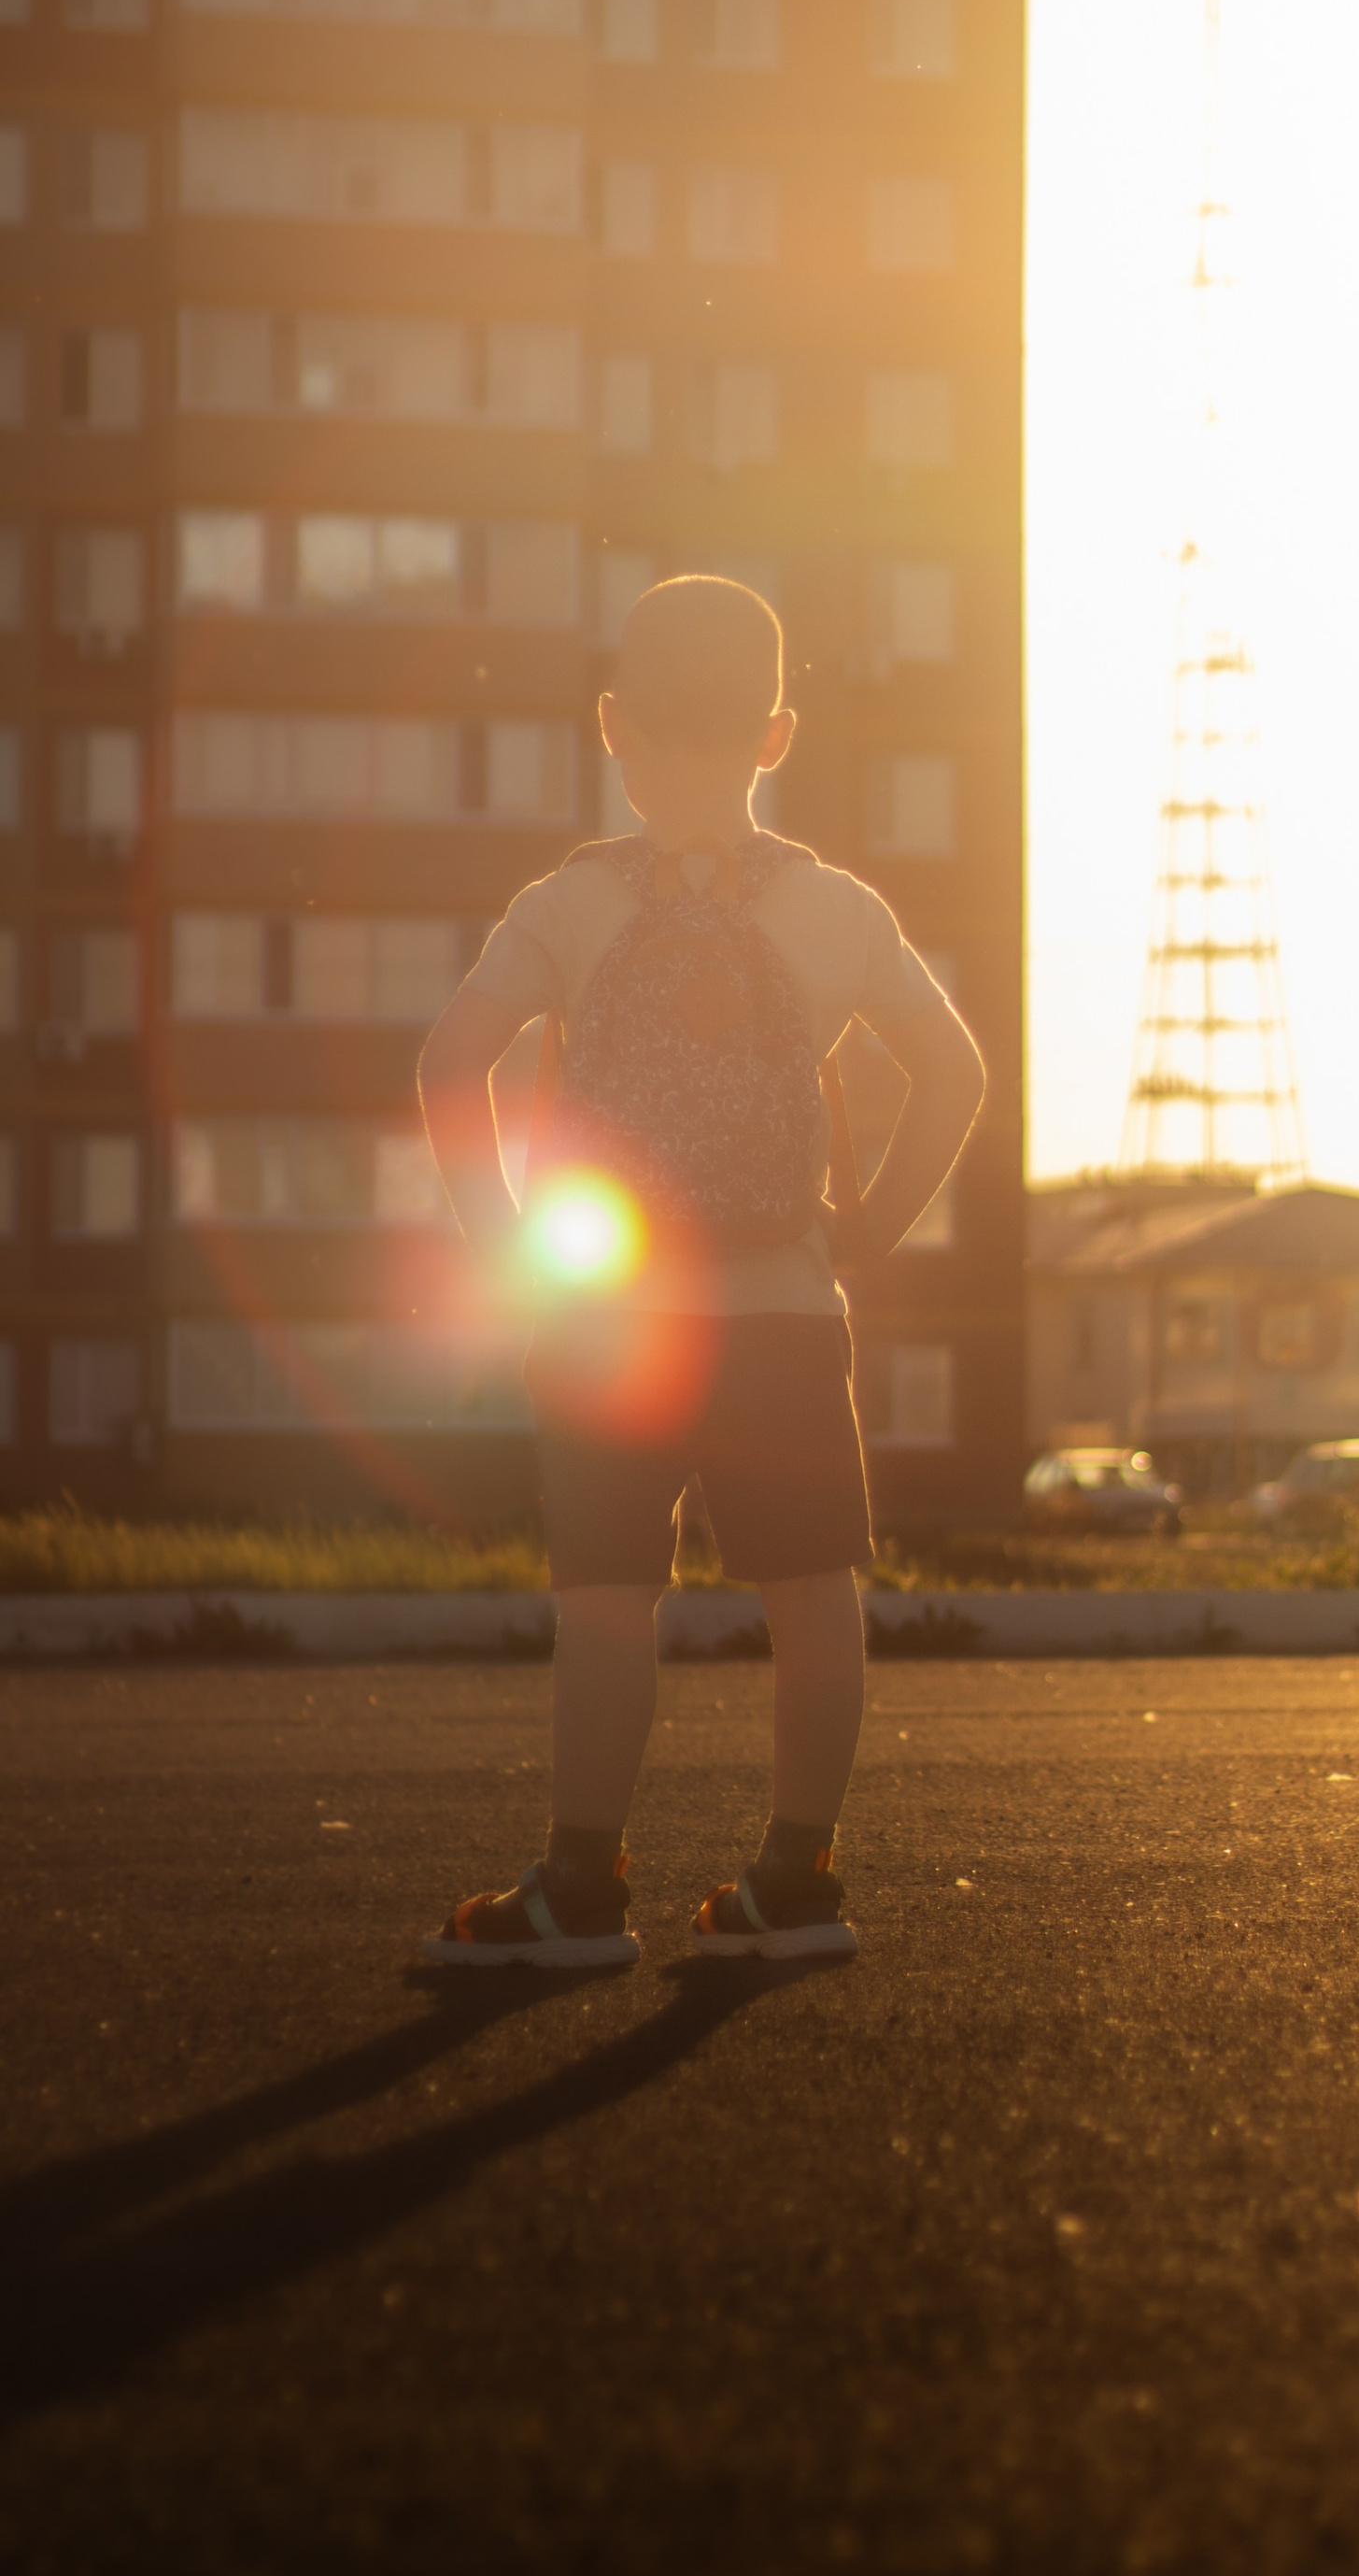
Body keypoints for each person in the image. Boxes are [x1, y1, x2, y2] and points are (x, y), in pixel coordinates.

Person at [415, 573, 984, 1971]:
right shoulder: (837, 909)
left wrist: (510, 1255)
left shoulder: (568, 902)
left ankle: (576, 1891)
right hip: (786, 1305)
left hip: (615, 1320)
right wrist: (865, 1228)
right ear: (776, 733)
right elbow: (956, 1072)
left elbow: (446, 1068)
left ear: (615, 724)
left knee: (610, 1596)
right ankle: (798, 1883)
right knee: (812, 1596)